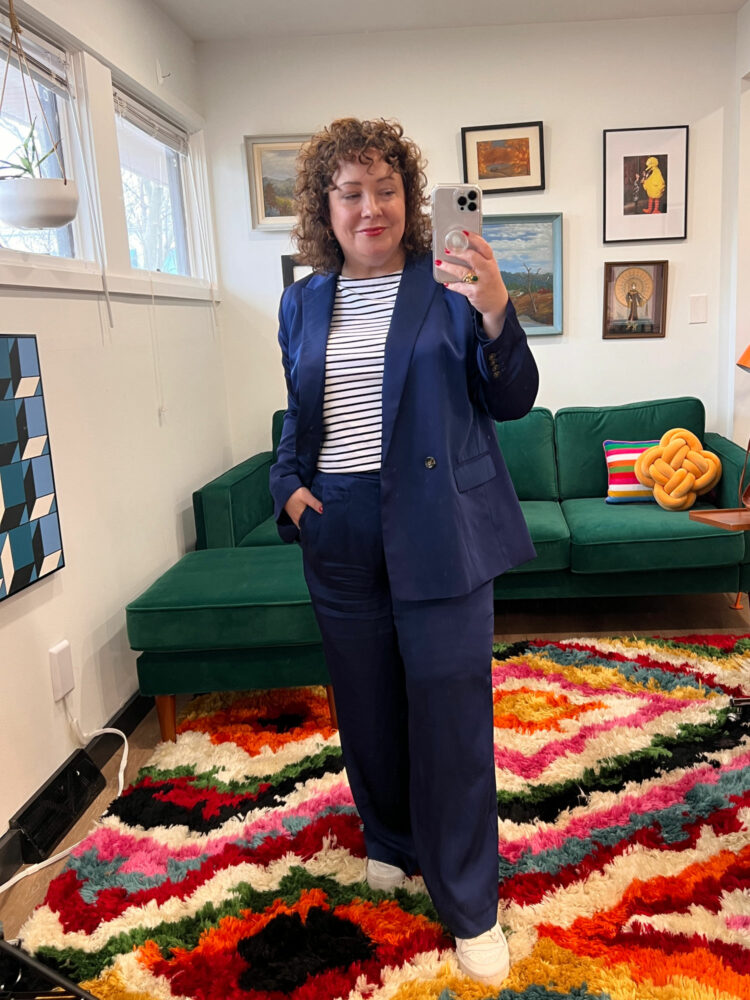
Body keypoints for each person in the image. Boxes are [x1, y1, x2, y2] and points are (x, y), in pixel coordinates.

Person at [269, 117, 538, 986]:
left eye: (385, 188)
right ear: (326, 207)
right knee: (369, 705)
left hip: (437, 525)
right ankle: (388, 838)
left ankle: (470, 904)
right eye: (350, 192)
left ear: (410, 201)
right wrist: (290, 492)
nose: (370, 206)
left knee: (452, 721)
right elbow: (297, 418)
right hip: (337, 526)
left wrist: (495, 306)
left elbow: (512, 400)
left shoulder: (448, 283)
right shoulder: (303, 300)